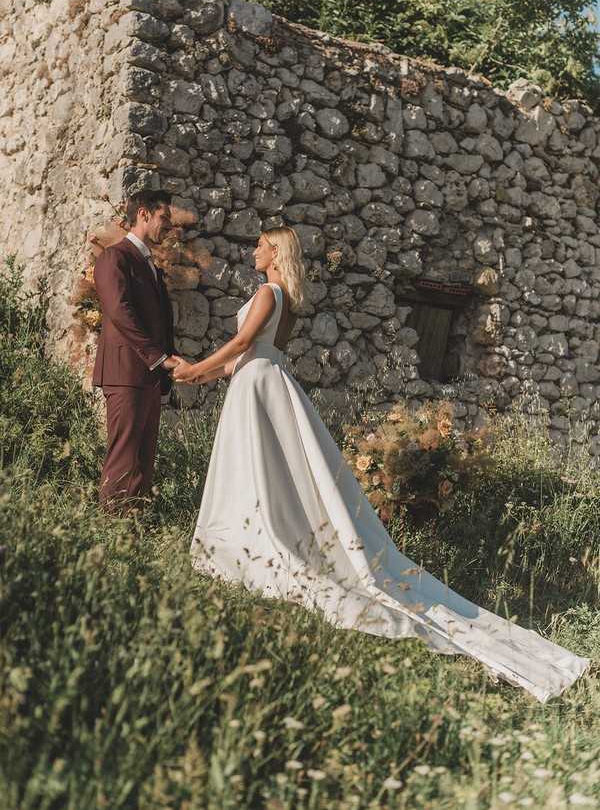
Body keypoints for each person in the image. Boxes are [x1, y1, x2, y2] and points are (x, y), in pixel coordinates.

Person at [174, 227, 590, 702]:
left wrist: (196, 369)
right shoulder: (283, 297)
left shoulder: (269, 291)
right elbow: (243, 359)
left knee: (260, 469)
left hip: (260, 384)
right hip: (259, 382)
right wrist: (198, 371)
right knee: (260, 468)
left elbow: (243, 342)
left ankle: (252, 539)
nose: (253, 250)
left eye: (261, 245)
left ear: (275, 253)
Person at [93, 190, 180, 509]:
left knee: (144, 462)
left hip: (149, 377)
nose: (168, 227)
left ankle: (134, 536)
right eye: (164, 219)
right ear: (143, 214)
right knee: (123, 459)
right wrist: (159, 357)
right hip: (125, 373)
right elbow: (119, 311)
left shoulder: (150, 265)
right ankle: (111, 536)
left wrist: (165, 365)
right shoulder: (114, 257)